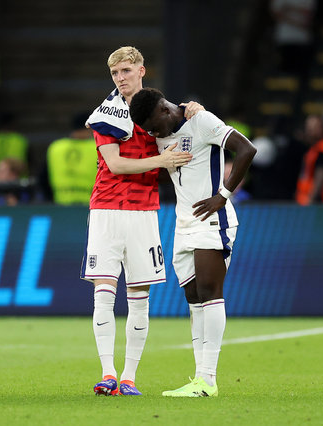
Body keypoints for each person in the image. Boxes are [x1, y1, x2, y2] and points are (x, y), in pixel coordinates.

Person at [80, 46, 198, 397]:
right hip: (106, 209)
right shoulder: (107, 113)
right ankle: (107, 373)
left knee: (139, 297)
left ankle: (129, 377)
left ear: (142, 71)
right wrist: (162, 161)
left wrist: (196, 109)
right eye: (116, 73)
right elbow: (115, 165)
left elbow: (186, 119)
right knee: (103, 293)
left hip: (144, 212)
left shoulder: (156, 110)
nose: (121, 78)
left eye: (127, 71)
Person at [129, 88, 257, 397]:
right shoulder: (163, 128)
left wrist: (223, 196)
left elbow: (247, 150)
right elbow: (168, 173)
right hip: (183, 222)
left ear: (164, 110)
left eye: (153, 127)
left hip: (212, 219)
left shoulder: (200, 120)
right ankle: (199, 379)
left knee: (210, 292)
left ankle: (208, 380)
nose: (153, 133)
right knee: (194, 296)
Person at [44, 113, 97, 205]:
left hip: (60, 203)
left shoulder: (56, 147)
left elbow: (44, 176)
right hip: (92, 205)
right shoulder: (98, 147)